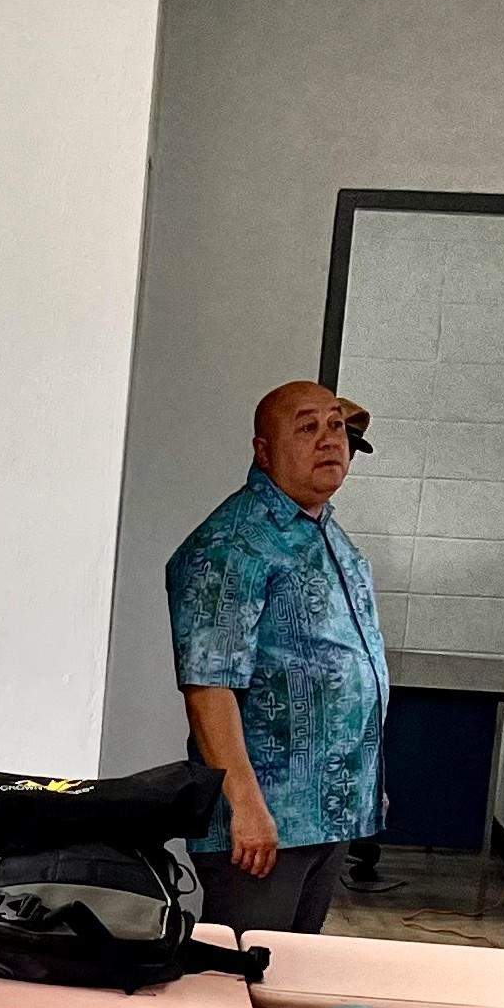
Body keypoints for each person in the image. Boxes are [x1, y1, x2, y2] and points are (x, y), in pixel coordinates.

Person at [165, 382, 390, 936]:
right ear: (263, 451)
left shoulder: (324, 531)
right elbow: (208, 690)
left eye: (336, 425)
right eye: (307, 427)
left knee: (294, 976)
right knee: (244, 984)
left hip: (327, 813)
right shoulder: (233, 545)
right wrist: (246, 807)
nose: (329, 440)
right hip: (263, 822)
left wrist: (366, 774)